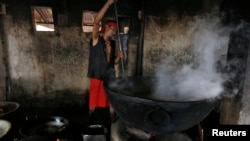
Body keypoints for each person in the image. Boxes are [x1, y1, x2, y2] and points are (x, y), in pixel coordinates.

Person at [87, 0, 123, 123]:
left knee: (111, 100)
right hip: (96, 74)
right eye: (112, 29)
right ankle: (90, 119)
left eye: (115, 31)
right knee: (93, 101)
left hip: (109, 76)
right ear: (106, 27)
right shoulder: (96, 39)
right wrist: (108, 3)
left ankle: (112, 119)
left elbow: (114, 63)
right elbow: (96, 20)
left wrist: (119, 57)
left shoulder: (113, 43)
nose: (114, 33)